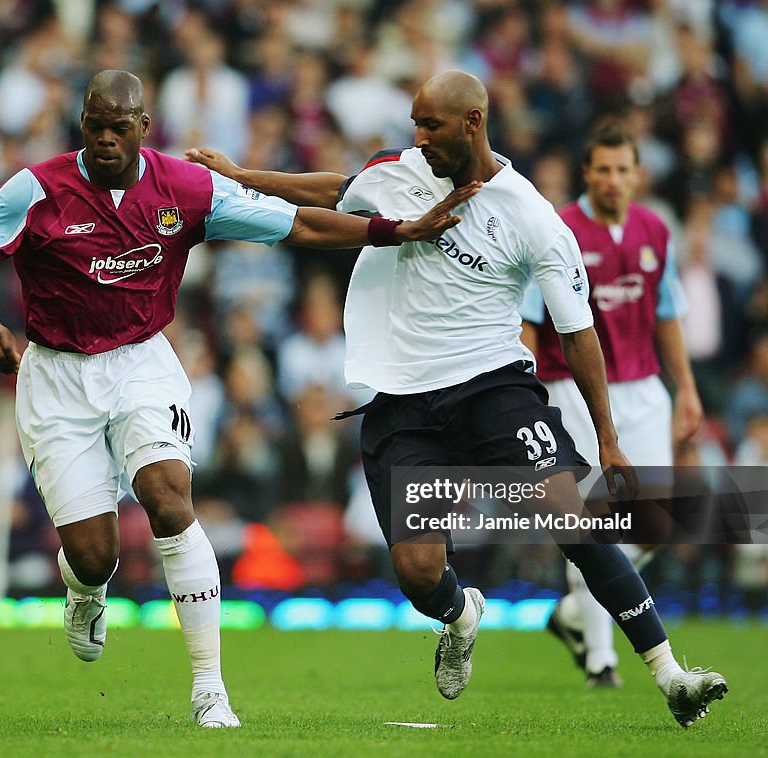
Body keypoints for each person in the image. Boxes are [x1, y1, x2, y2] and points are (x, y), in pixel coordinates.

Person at [187, 70, 727, 727]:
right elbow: (335, 188)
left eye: (431, 125)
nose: (418, 137)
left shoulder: (531, 216)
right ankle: (460, 612)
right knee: (418, 574)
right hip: (404, 401)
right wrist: (244, 175)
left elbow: (578, 333)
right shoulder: (403, 169)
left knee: (572, 519)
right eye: (414, 123)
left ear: (472, 122)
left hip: (491, 386)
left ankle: (671, 675)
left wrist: (607, 439)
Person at [0, 70, 471, 729]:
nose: (104, 138)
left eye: (118, 126)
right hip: (56, 375)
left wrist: (392, 232)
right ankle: (84, 592)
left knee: (167, 495)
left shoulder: (185, 189)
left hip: (141, 362)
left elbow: (297, 226)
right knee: (93, 553)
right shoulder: (37, 189)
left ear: (143, 127)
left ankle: (209, 688)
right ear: (82, 124)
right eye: (93, 126)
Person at [519, 124, 703, 688]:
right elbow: (530, 319)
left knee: (657, 524)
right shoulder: (559, 229)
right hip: (572, 387)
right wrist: (526, 390)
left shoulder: (654, 230)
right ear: (587, 173)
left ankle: (575, 611)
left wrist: (687, 389)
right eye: (604, 169)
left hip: (644, 386)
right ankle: (602, 661)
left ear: (638, 175)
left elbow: (666, 313)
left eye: (624, 169)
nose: (614, 180)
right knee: (599, 521)